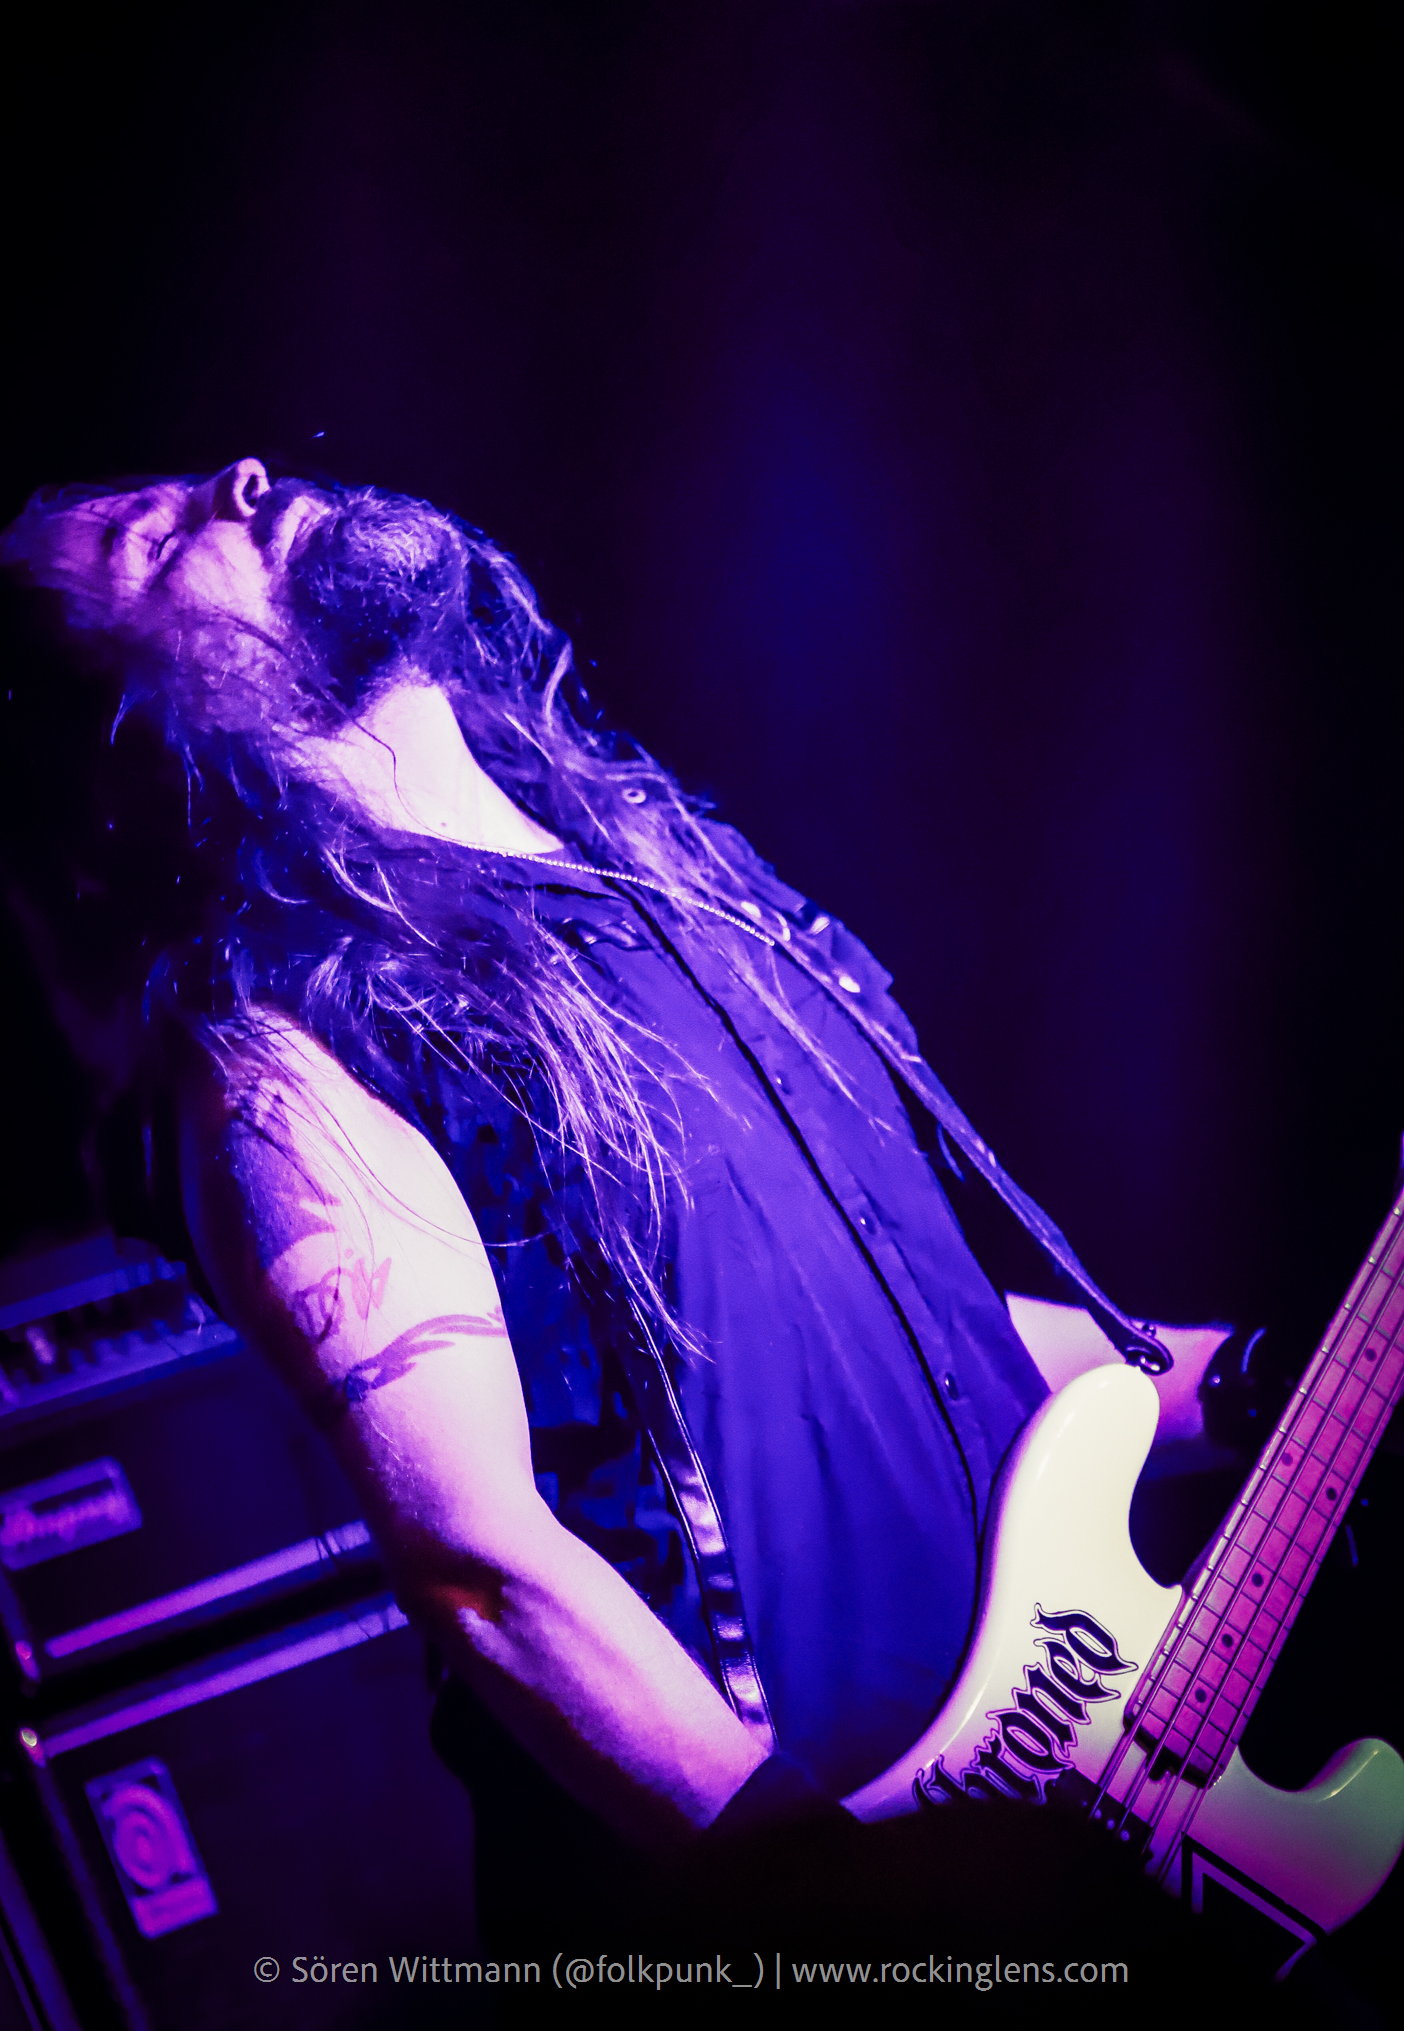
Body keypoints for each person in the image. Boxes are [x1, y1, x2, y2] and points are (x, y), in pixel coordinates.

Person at [0, 458, 1237, 1949]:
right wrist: (841, 1894)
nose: (238, 479)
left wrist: (1245, 1385)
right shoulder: (282, 1054)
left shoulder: (661, 869)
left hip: (1048, 1793)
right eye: (150, 539)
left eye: (194, 477)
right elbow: (479, 1566)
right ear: (140, 751)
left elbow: (915, 1344)